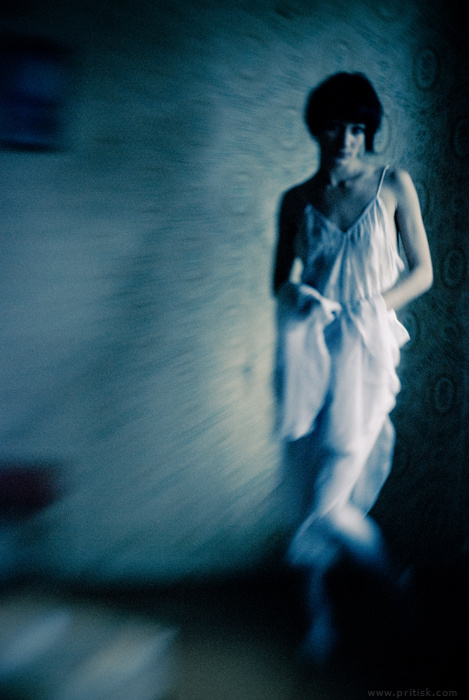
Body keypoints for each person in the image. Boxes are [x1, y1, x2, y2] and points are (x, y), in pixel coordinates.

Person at [272, 72, 433, 662]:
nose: (347, 140)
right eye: (336, 127)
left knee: (330, 503)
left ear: (369, 132)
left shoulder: (394, 185)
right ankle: (319, 619)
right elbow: (279, 282)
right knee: (307, 488)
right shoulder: (296, 200)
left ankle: (395, 583)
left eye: (359, 129)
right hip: (310, 360)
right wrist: (301, 298)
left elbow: (423, 271)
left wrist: (372, 307)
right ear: (318, 128)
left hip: (366, 361)